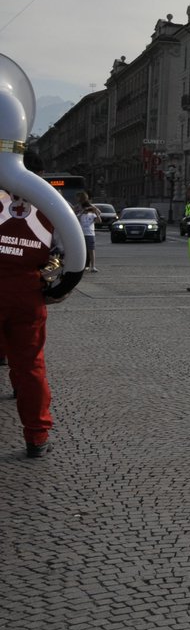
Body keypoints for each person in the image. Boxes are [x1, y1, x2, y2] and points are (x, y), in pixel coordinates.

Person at [0, 188, 77, 457]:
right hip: (26, 294)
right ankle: (36, 436)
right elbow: (72, 252)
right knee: (31, 367)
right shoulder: (48, 202)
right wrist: (57, 289)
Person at [76, 192, 98, 273]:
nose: (76, 199)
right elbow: (76, 217)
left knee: (90, 250)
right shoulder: (79, 210)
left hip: (89, 233)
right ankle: (85, 265)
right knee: (83, 250)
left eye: (78, 197)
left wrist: (94, 211)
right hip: (82, 233)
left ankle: (91, 266)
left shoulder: (90, 208)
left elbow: (98, 215)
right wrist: (81, 212)